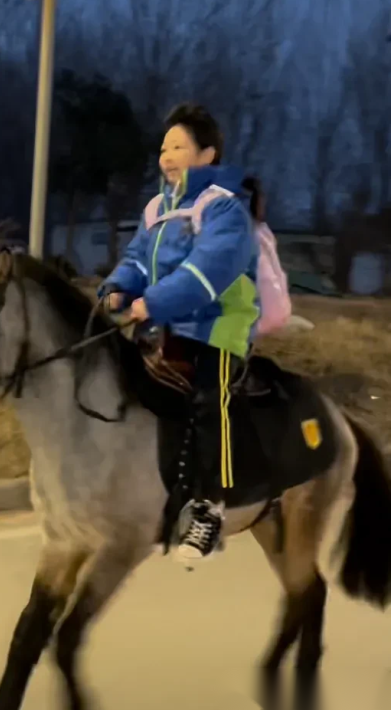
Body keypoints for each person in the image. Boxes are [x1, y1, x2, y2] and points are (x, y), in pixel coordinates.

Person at [99, 103, 261, 563]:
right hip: (165, 321)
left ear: (207, 155)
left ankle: (210, 509)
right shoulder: (157, 208)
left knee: (212, 401)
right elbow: (135, 260)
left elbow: (205, 273)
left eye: (179, 146)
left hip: (217, 325)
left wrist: (153, 303)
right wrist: (116, 290)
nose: (166, 155)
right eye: (164, 146)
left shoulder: (224, 210)